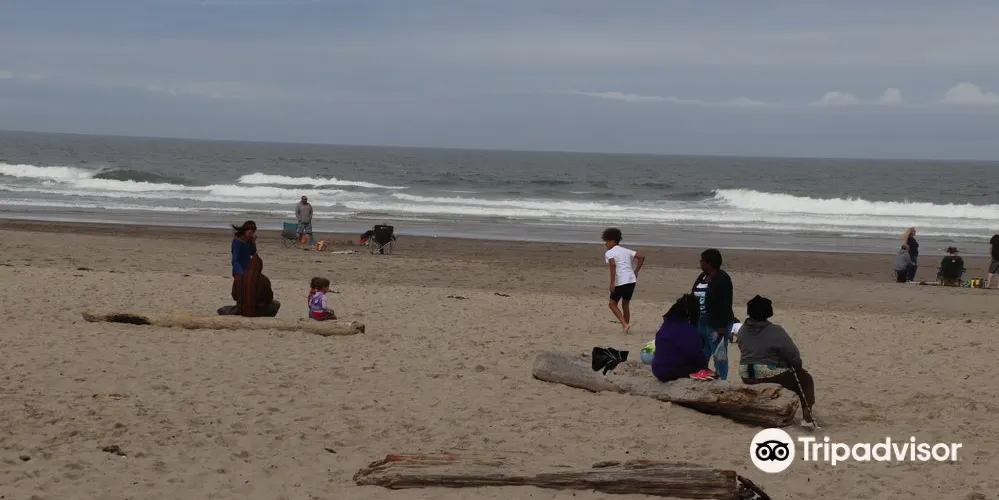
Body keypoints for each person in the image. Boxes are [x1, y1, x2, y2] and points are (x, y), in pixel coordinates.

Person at [738, 295, 818, 429]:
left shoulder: (742, 330)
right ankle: (807, 418)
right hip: (767, 373)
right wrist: (797, 368)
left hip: (746, 373)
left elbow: (742, 348)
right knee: (806, 381)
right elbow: (793, 355)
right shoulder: (776, 330)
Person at [691, 248, 736, 380]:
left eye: (702, 261)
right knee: (702, 352)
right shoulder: (702, 276)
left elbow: (725, 303)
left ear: (710, 263)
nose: (700, 263)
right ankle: (701, 375)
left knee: (719, 354)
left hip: (716, 322)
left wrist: (721, 327)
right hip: (701, 320)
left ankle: (722, 379)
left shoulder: (722, 279)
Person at [651, 294, 709, 382]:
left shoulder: (666, 324)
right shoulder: (687, 329)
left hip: (657, 369)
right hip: (672, 371)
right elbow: (695, 353)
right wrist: (704, 365)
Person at [601, 228, 645, 334]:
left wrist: (612, 283)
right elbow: (641, 256)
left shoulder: (609, 253)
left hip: (621, 281)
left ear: (612, 241)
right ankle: (626, 327)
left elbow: (612, 265)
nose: (605, 244)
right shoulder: (626, 250)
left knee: (612, 304)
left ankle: (624, 324)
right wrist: (636, 271)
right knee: (625, 304)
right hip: (631, 280)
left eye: (607, 241)